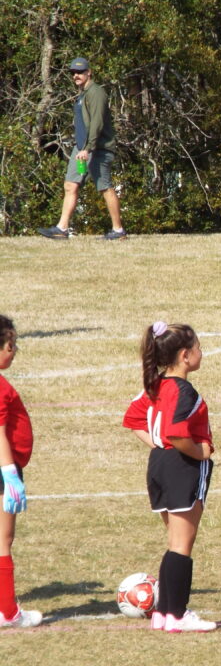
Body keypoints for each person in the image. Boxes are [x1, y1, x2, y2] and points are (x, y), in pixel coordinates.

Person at [122, 322, 216, 633]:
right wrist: (199, 452)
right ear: (186, 355)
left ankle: (162, 613)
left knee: (174, 542)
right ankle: (178, 614)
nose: (202, 353)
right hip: (181, 467)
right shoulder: (183, 390)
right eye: (199, 348)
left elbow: (133, 418)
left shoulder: (156, 384)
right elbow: (177, 434)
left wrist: (158, 444)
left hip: (159, 465)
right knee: (182, 545)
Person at [38, 57, 126, 241]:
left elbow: (97, 123)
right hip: (81, 150)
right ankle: (61, 229)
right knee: (71, 184)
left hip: (96, 150)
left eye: (80, 72)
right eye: (73, 73)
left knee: (104, 187)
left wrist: (88, 147)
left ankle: (118, 231)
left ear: (89, 72)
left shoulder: (96, 93)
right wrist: (81, 148)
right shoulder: (83, 94)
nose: (76, 76)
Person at [0, 316, 43, 629]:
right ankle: (9, 612)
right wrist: (9, 474)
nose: (13, 353)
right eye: (11, 346)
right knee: (3, 540)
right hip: (3, 470)